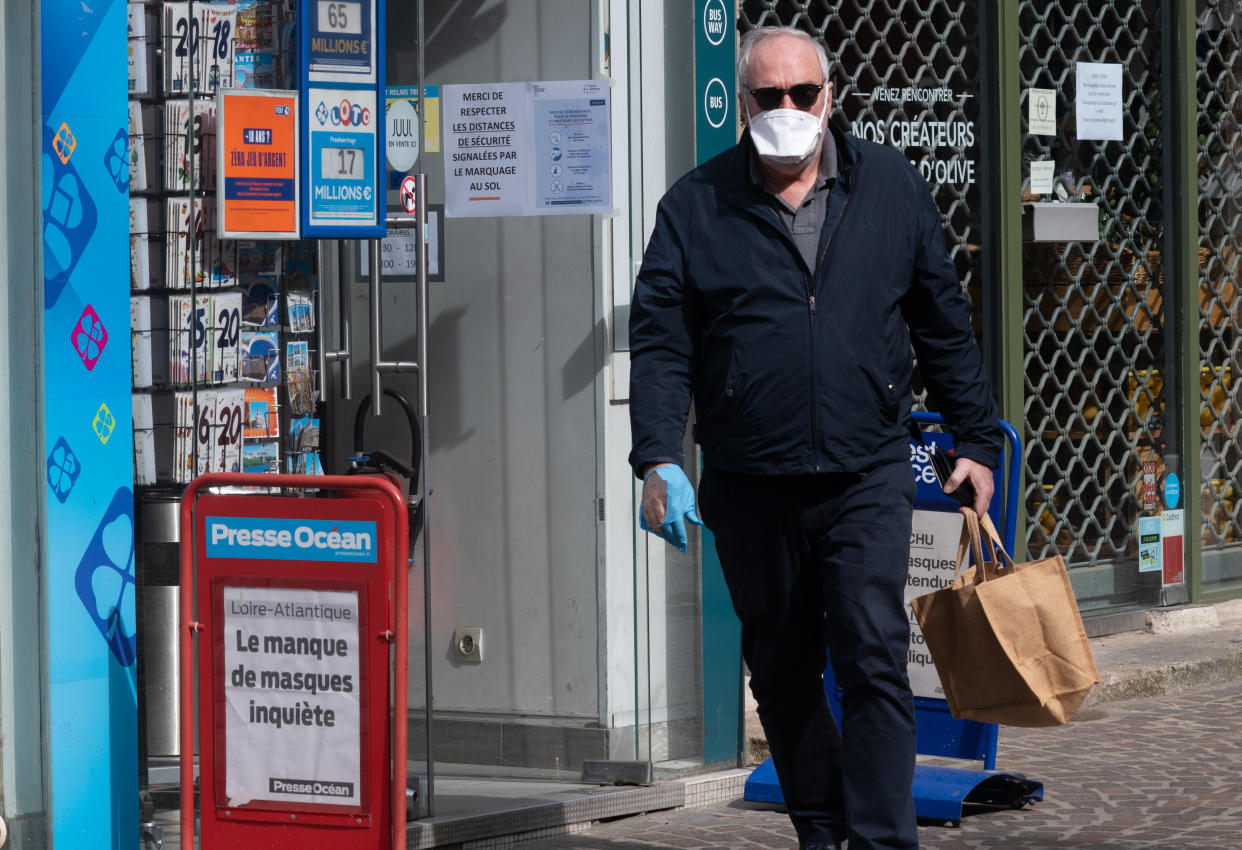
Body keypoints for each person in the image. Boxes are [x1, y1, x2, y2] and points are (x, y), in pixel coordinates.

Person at [627, 25, 1002, 850]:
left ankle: (879, 841)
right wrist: (657, 453)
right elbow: (661, 343)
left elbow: (942, 324)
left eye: (803, 94)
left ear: (830, 98)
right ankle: (824, 831)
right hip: (750, 480)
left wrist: (976, 438)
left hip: (866, 471)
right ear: (745, 105)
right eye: (770, 96)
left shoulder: (891, 189)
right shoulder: (695, 206)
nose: (788, 109)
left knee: (872, 658)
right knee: (785, 676)